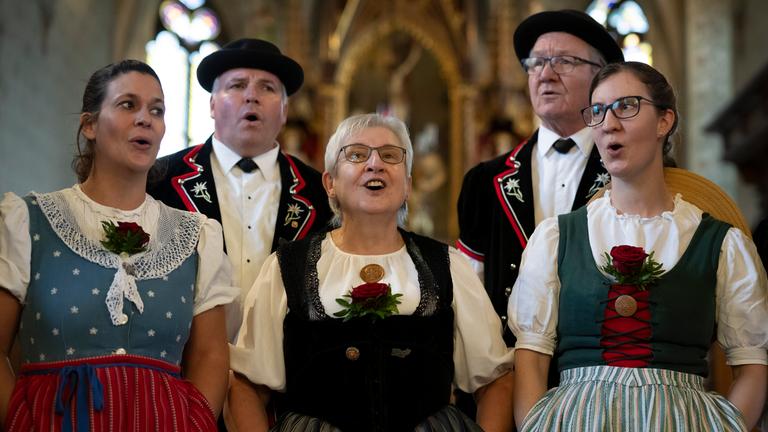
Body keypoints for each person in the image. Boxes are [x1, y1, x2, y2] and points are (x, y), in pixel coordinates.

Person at [509, 61, 768, 431]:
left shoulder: (722, 244)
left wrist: (723, 427)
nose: (609, 123)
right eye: (597, 111)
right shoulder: (555, 239)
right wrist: (540, 425)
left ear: (665, 121)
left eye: (626, 106)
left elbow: (752, 361)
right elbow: (531, 358)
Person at [228, 113, 515, 432]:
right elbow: (247, 387)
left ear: (407, 184)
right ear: (330, 183)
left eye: (390, 156)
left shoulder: (447, 266)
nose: (375, 164)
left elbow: (496, 382)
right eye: (357, 154)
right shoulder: (285, 268)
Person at [0, 60, 238, 431]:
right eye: (128, 105)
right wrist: (19, 422)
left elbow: (210, 353)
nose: (146, 118)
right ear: (90, 125)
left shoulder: (195, 235)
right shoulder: (28, 219)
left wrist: (193, 423)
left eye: (156, 110)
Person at [456, 9, 624, 345]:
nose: (545, 75)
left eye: (563, 61)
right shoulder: (484, 182)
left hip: (602, 368)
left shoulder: (628, 172)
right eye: (535, 63)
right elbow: (470, 297)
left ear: (599, 78)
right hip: (507, 370)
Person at [148, 39, 332, 337]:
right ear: (212, 104)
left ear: (284, 110)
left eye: (267, 88)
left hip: (287, 368)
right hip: (184, 362)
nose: (251, 96)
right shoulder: (160, 179)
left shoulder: (320, 193)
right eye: (236, 85)